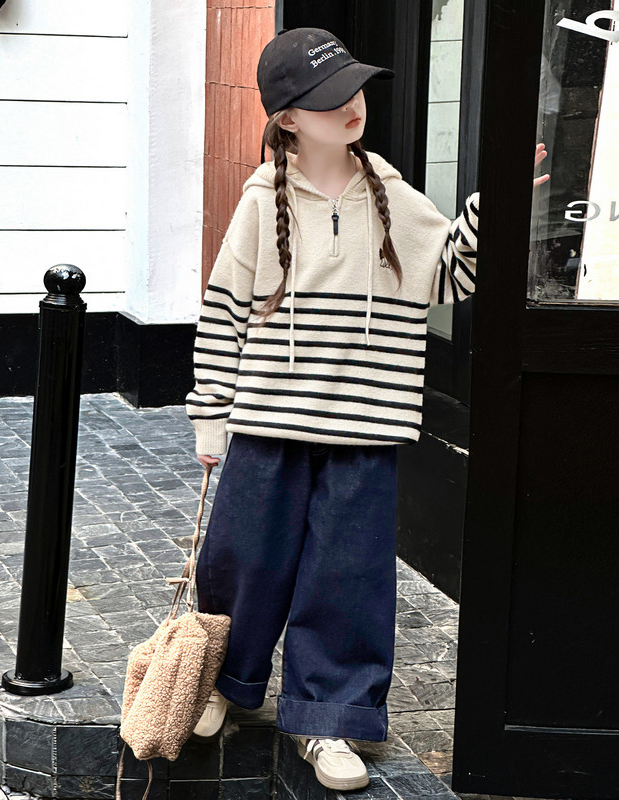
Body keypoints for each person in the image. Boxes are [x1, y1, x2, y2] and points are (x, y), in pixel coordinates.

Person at [185, 26, 549, 792]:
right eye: (329, 97)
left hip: (364, 428)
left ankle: (329, 717)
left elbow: (449, 275)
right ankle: (225, 683)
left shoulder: (389, 192)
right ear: (288, 118)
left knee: (347, 578)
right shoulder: (260, 202)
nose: (351, 104)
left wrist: (494, 209)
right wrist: (211, 413)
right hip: (270, 425)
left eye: (353, 87)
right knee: (243, 560)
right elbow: (222, 312)